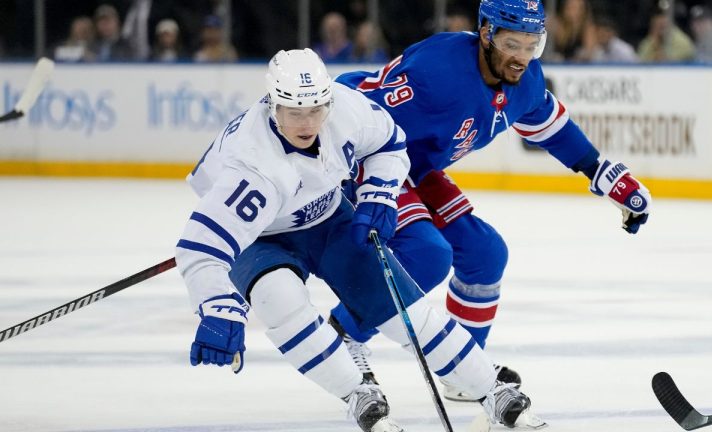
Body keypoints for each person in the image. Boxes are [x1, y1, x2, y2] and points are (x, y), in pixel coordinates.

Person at [175, 48, 537, 432]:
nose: (307, 122)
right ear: (272, 104)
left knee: (403, 309)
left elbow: (390, 142)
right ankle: (355, 392)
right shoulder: (251, 166)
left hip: (327, 214)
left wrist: (379, 193)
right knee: (277, 297)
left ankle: (490, 390)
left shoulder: (345, 107)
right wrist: (217, 306)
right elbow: (200, 250)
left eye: (316, 109)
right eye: (294, 112)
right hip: (262, 235)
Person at [332, 0, 652, 401]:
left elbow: (551, 127)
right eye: (512, 44)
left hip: (417, 165)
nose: (522, 57)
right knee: (427, 254)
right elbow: (358, 108)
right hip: (371, 155)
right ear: (486, 33)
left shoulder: (527, 78)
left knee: (485, 254)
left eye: (532, 44)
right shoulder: (437, 72)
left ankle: (466, 366)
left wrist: (603, 174)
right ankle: (343, 334)